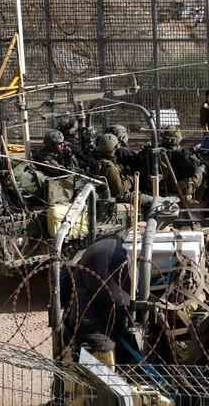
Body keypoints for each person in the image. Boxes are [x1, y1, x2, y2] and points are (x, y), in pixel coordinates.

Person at [60, 234, 132, 368]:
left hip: (95, 265)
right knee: (120, 323)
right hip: (114, 270)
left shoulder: (79, 271)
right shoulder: (119, 244)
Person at [92, 133, 153, 212]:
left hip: (108, 195)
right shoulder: (109, 167)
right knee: (154, 201)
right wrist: (131, 179)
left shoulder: (98, 161)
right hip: (119, 197)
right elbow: (119, 191)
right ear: (115, 147)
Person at [159, 125, 205, 199]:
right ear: (177, 139)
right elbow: (191, 171)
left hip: (159, 185)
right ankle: (201, 200)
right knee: (202, 169)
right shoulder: (176, 155)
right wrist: (194, 161)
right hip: (174, 187)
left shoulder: (157, 151)